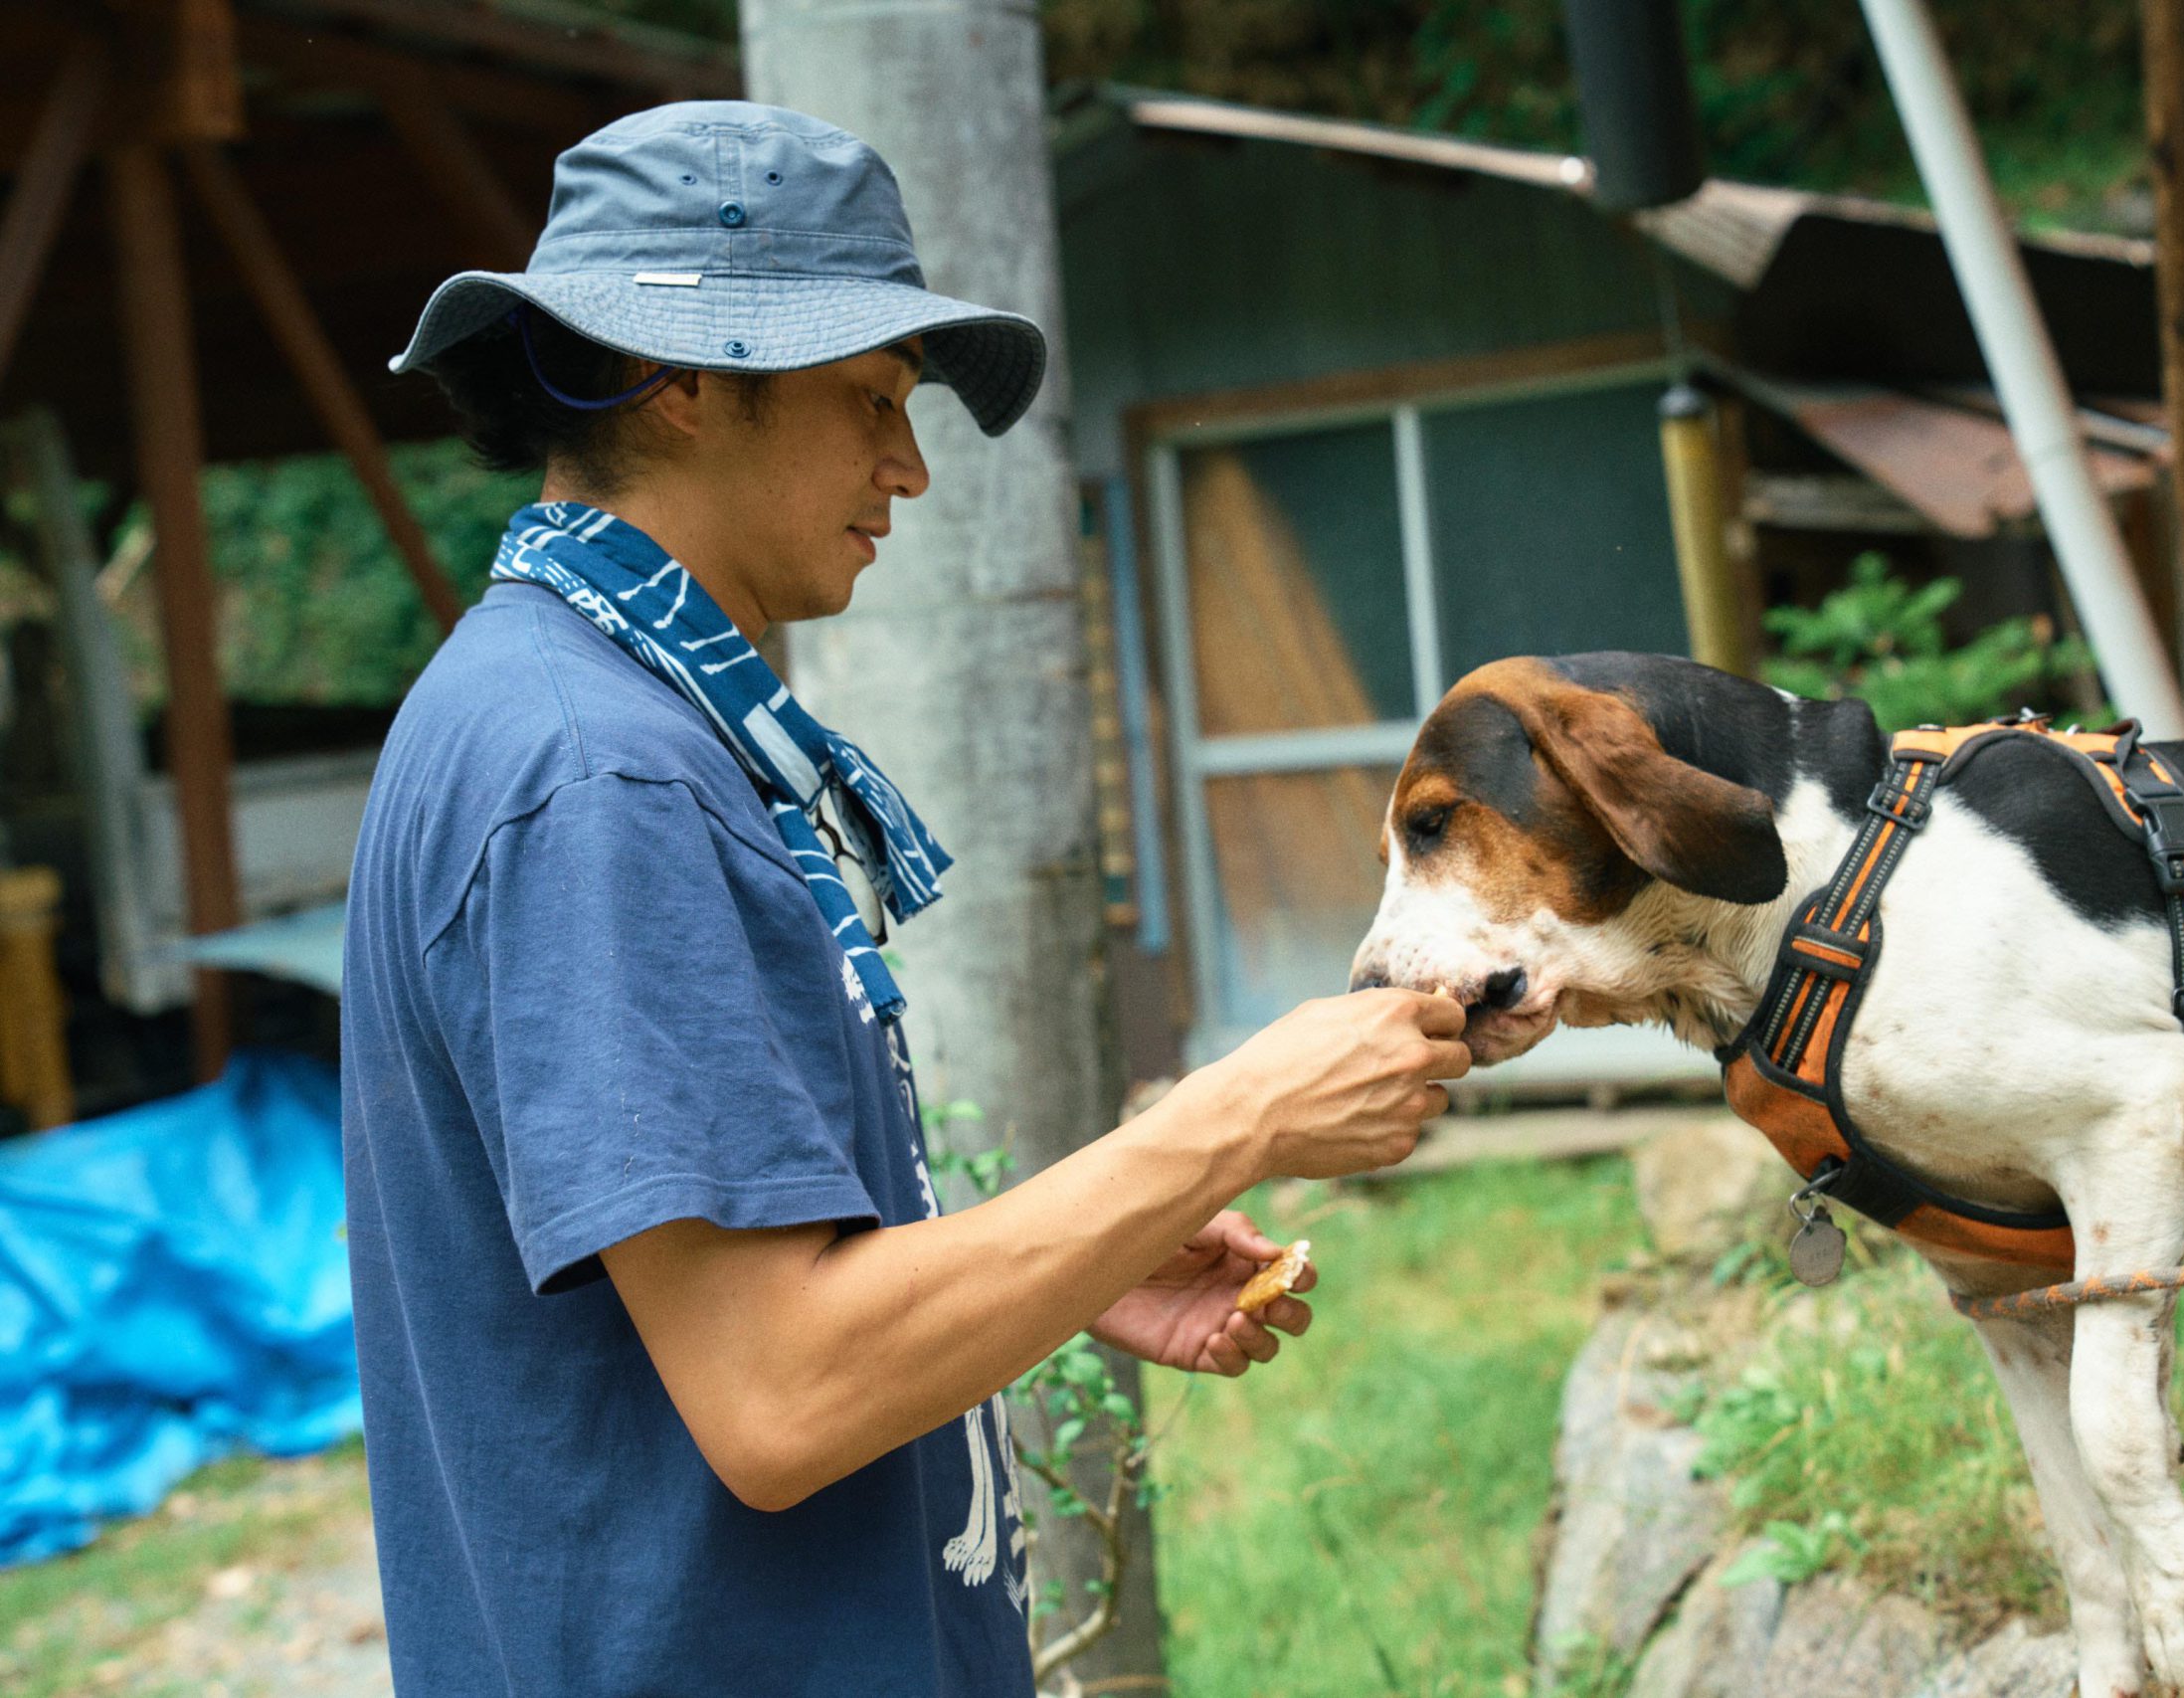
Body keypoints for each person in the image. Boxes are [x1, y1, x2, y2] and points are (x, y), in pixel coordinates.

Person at [339, 100, 1467, 1698]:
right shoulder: (600, 775)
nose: (912, 465)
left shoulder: (570, 706)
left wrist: (1082, 1250)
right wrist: (1235, 1118)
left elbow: (756, 1287)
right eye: (871, 397)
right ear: (680, 385)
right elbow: (779, 1393)